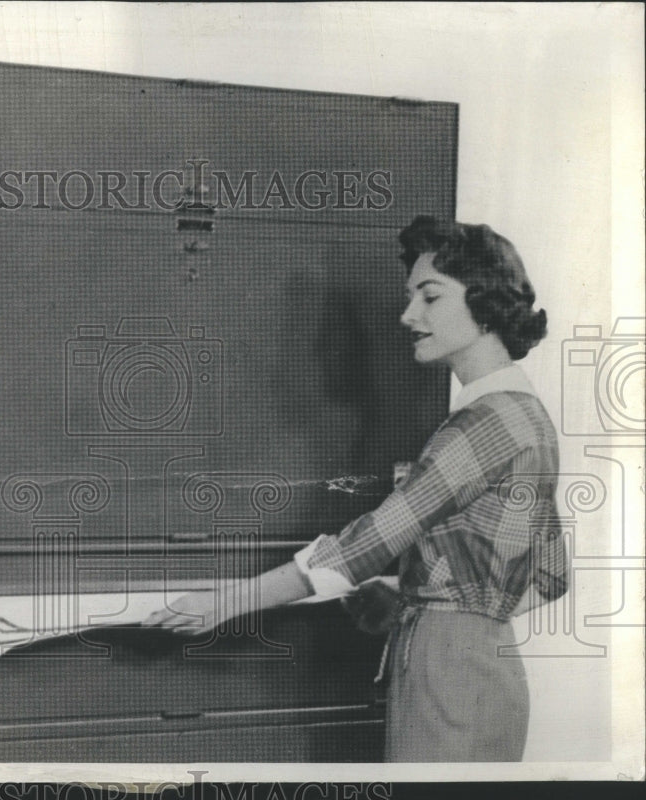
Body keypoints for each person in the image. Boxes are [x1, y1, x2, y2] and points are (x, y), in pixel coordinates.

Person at [144, 216, 568, 762]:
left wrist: (223, 603)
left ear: (484, 303)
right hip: (495, 675)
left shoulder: (481, 423)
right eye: (409, 296)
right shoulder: (529, 417)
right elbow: (552, 577)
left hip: (446, 677)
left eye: (429, 297)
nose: (408, 314)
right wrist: (427, 596)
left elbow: (363, 545)